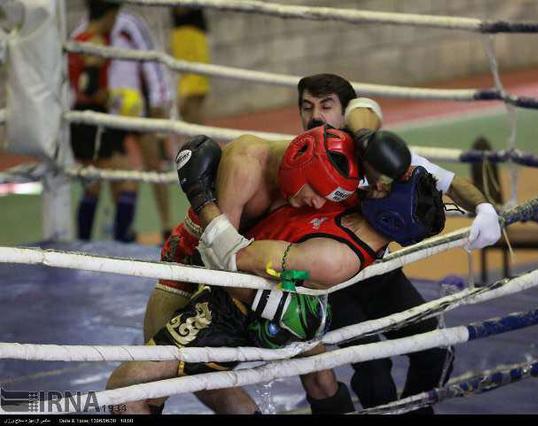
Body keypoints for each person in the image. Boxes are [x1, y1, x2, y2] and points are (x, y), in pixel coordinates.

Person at [106, 126, 447, 414]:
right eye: (382, 181)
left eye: (389, 188)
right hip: (206, 264)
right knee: (316, 378)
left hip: (236, 291)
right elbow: (366, 126)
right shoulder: (348, 184)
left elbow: (230, 260)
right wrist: (367, 136)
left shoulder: (334, 256)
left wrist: (199, 196)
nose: (379, 186)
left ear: (394, 216)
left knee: (129, 385)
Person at [296, 74, 501, 412]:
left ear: (345, 113)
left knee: (436, 352)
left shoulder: (379, 155)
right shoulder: (295, 160)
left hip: (380, 277)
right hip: (330, 288)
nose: (315, 116)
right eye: (307, 107)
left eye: (326, 106)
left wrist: (483, 208)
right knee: (375, 374)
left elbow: (448, 181)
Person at [75, 1, 175, 242]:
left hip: (134, 108)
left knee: (154, 165)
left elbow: (151, 62)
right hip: (105, 111)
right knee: (112, 178)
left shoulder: (129, 24)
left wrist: (159, 102)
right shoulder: (83, 33)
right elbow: (82, 80)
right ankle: (119, 236)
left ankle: (166, 227)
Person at [68, 0, 137, 242]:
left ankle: (84, 244)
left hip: (83, 117)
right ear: (108, 15)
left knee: (94, 185)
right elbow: (89, 85)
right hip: (93, 118)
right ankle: (122, 245)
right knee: (126, 180)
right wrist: (113, 98)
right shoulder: (96, 42)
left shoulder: (80, 39)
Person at [169, 6, 211, 125]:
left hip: (191, 36)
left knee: (192, 99)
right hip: (185, 36)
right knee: (188, 104)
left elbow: (181, 8)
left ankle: (200, 142)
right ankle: (197, 141)